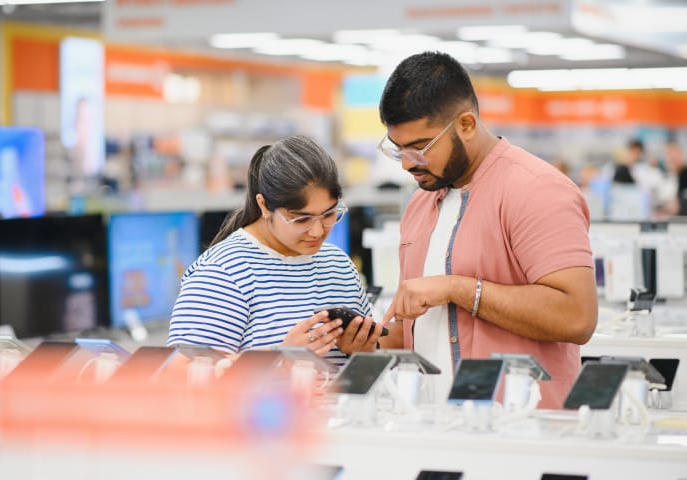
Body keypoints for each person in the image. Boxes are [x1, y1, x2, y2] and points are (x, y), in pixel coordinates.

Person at [377, 51, 598, 408]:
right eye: (398, 149)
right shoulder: (421, 202)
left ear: (465, 124)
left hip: (520, 434)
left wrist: (457, 288)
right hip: (431, 430)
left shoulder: (536, 189)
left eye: (419, 148)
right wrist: (367, 341)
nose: (406, 164)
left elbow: (577, 316)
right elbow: (417, 327)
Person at [167, 135, 382, 364]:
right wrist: (279, 359)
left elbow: (364, 371)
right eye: (301, 220)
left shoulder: (338, 265)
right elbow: (178, 376)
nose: (318, 231)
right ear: (264, 206)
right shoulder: (224, 271)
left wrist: (363, 352)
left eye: (329, 214)